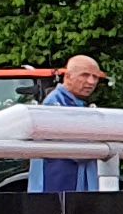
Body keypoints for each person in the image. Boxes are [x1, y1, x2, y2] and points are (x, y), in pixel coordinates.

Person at [27, 54, 106, 197]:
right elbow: (79, 151)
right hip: (56, 185)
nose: (91, 81)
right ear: (68, 76)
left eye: (95, 77)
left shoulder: (76, 104)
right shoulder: (55, 104)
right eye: (85, 75)